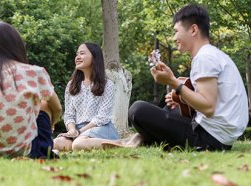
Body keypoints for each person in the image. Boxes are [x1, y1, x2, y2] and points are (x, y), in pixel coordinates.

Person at [102, 4, 248, 151]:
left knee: (137, 110)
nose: (174, 38)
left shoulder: (205, 57)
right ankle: (141, 139)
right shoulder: (213, 54)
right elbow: (214, 102)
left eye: (176, 31)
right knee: (172, 107)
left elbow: (208, 107)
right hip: (218, 135)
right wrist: (181, 96)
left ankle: (140, 139)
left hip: (209, 138)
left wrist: (173, 83)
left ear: (193, 30)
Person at [0, 21, 62, 158]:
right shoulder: (35, 72)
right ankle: (44, 149)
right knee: (45, 104)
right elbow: (57, 109)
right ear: (17, 45)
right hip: (22, 151)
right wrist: (52, 123)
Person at [53, 43, 119, 151]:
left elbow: (103, 117)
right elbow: (69, 114)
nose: (77, 57)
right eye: (77, 54)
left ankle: (121, 143)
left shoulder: (108, 84)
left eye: (82, 53)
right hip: (78, 130)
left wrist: (80, 132)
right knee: (57, 143)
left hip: (100, 128)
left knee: (78, 144)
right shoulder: (71, 85)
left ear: (94, 57)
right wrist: (72, 130)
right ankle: (79, 142)